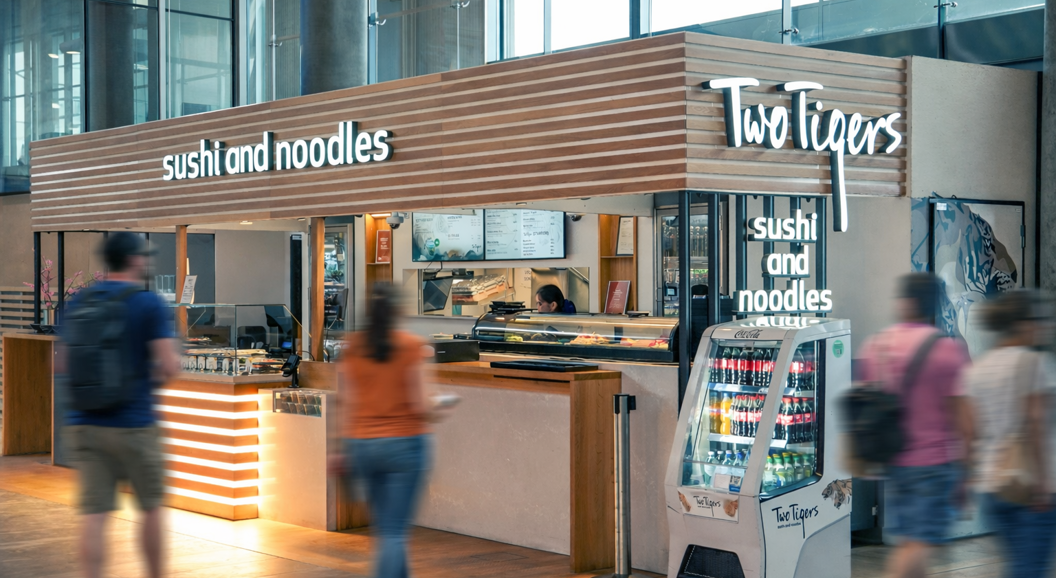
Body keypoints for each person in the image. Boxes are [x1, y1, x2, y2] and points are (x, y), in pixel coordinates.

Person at [60, 232, 180, 578]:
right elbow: (170, 365)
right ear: (134, 260)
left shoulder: (80, 300)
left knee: (94, 515)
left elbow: (63, 363)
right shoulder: (148, 303)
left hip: (85, 422)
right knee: (151, 508)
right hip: (135, 422)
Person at [856, 273, 973, 578]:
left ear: (904, 303)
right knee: (918, 545)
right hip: (934, 464)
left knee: (911, 542)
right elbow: (963, 418)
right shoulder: (947, 351)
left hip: (893, 461)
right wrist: (968, 472)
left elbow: (864, 399)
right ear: (934, 306)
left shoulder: (876, 346)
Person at [336, 284, 439, 578]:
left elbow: (347, 401)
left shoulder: (352, 347)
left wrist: (340, 448)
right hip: (405, 444)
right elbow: (421, 404)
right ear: (398, 311)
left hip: (362, 445)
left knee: (387, 530)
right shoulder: (410, 346)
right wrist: (440, 408)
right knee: (394, 532)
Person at [963, 290, 1056, 578]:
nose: (1043, 327)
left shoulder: (978, 368)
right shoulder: (1033, 364)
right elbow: (1036, 423)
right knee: (1029, 570)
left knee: (1017, 565)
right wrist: (1042, 483)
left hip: (993, 485)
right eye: (1038, 320)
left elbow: (971, 432)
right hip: (1029, 486)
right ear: (1022, 323)